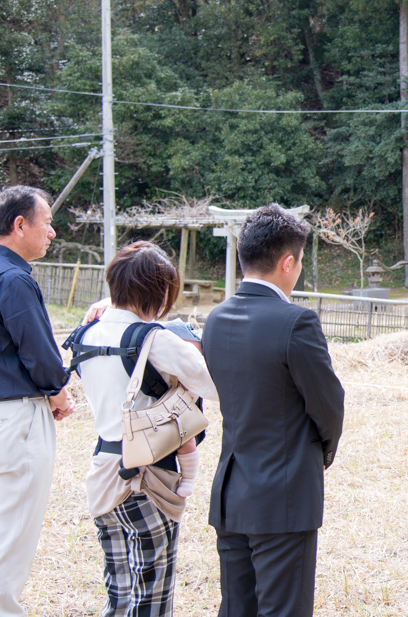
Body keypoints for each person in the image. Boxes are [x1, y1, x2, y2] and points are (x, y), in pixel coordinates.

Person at [202, 203, 345, 617]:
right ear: (287, 262)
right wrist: (322, 453)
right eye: (299, 262)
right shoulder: (296, 322)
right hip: (283, 494)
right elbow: (328, 405)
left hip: (232, 492)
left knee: (236, 608)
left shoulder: (216, 319)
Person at [73, 241, 218, 616]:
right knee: (152, 595)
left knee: (120, 591)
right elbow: (213, 386)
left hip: (104, 468)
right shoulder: (155, 340)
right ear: (159, 293)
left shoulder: (85, 335)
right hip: (149, 475)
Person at [0, 185, 74, 617]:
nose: (51, 231)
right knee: (13, 530)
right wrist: (57, 389)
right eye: (45, 222)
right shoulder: (13, 279)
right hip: (17, 416)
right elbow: (38, 350)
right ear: (19, 224)